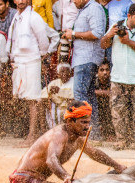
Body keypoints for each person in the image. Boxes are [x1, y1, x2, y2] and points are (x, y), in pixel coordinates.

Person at [101, 3, 135, 151]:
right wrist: (109, 35)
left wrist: (128, 41)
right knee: (118, 112)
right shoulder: (117, 26)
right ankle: (121, 140)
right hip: (118, 78)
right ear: (129, 16)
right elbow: (103, 45)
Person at [6, 0, 52, 147]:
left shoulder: (34, 17)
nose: (21, 1)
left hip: (31, 61)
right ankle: (35, 134)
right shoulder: (16, 18)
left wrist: (42, 54)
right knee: (28, 99)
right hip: (20, 63)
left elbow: (44, 41)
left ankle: (33, 136)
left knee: (33, 99)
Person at [62, 0, 106, 140]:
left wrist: (73, 34)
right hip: (83, 58)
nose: (73, 1)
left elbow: (96, 33)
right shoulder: (83, 9)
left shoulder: (94, 8)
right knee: (88, 97)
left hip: (87, 58)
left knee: (80, 95)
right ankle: (93, 135)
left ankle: (87, 134)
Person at [41, 63, 74, 128]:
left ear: (70, 73)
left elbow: (74, 95)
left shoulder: (73, 81)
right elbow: (43, 94)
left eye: (67, 71)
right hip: (56, 106)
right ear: (58, 74)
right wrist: (50, 92)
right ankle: (43, 128)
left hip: (67, 106)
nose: (65, 73)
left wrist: (59, 92)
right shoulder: (55, 82)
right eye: (62, 71)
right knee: (40, 102)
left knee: (71, 102)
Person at [94, 60, 116, 140]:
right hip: (97, 107)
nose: (105, 72)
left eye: (107, 70)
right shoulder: (94, 81)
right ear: (97, 72)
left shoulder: (113, 81)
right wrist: (105, 93)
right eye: (102, 70)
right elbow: (89, 92)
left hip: (109, 108)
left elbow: (115, 93)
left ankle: (111, 133)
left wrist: (100, 93)